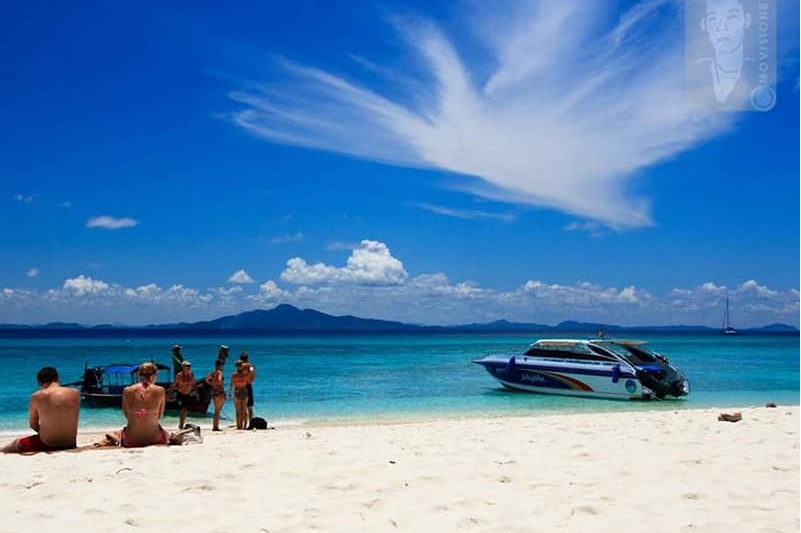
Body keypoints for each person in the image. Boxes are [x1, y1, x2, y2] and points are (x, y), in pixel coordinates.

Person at [1, 367, 80, 454]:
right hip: (70, 444)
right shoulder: (75, 393)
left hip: (48, 444)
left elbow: (33, 425)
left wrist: (48, 433)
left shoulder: (37, 396)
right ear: (57, 379)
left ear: (39, 382)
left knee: (14, 444)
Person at [119, 362, 170, 448]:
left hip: (131, 440)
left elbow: (127, 415)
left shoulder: (127, 390)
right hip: (155, 439)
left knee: (121, 432)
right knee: (166, 433)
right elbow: (160, 415)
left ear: (139, 375)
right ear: (154, 375)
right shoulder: (160, 390)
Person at [169, 360, 196, 429]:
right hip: (181, 393)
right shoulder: (179, 375)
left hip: (188, 393)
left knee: (186, 409)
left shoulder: (191, 374)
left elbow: (193, 383)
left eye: (189, 366)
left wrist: (196, 392)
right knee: (183, 408)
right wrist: (170, 393)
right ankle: (181, 424)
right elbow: (174, 384)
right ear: (183, 367)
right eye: (187, 366)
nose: (189, 367)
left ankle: (182, 423)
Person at [204, 358, 226, 431]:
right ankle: (216, 427)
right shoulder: (220, 373)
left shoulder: (213, 373)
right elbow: (219, 380)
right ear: (221, 365)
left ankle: (215, 426)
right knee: (218, 411)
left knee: (216, 411)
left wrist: (212, 384)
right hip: (220, 392)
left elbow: (206, 379)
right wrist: (220, 385)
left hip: (214, 392)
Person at [229, 360, 250, 430]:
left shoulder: (234, 374)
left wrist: (229, 393)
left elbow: (231, 384)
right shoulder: (245, 374)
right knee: (244, 410)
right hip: (244, 391)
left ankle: (239, 426)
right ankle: (244, 426)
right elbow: (248, 381)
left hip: (237, 391)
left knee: (238, 410)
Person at [240, 352, 256, 428]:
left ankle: (243, 424)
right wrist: (250, 380)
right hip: (248, 385)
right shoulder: (251, 366)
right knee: (249, 407)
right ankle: (251, 424)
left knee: (242, 406)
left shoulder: (240, 366)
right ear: (247, 358)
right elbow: (253, 375)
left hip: (241, 386)